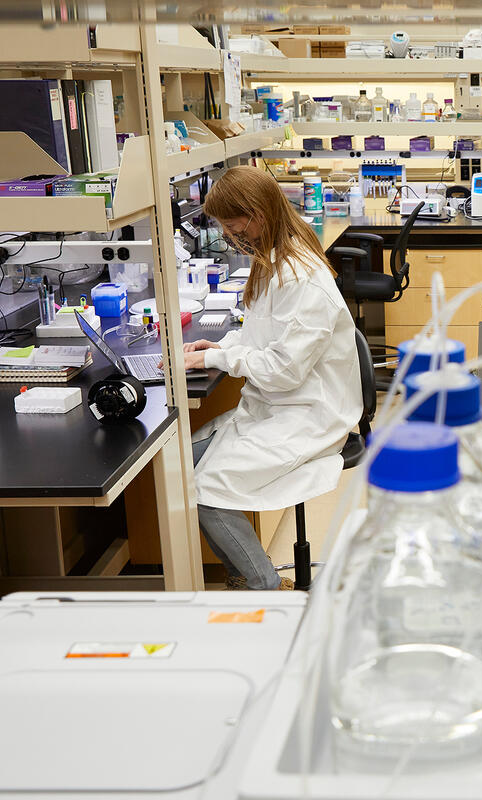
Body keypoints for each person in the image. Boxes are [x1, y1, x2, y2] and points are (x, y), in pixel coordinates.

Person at [184, 166, 362, 589]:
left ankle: (262, 584)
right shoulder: (273, 259)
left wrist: (223, 362)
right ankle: (247, 575)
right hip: (275, 404)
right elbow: (261, 333)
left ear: (257, 216)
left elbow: (284, 369)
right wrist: (221, 350)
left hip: (309, 414)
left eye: (231, 226)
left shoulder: (303, 279)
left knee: (207, 489)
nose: (229, 236)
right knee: (180, 466)